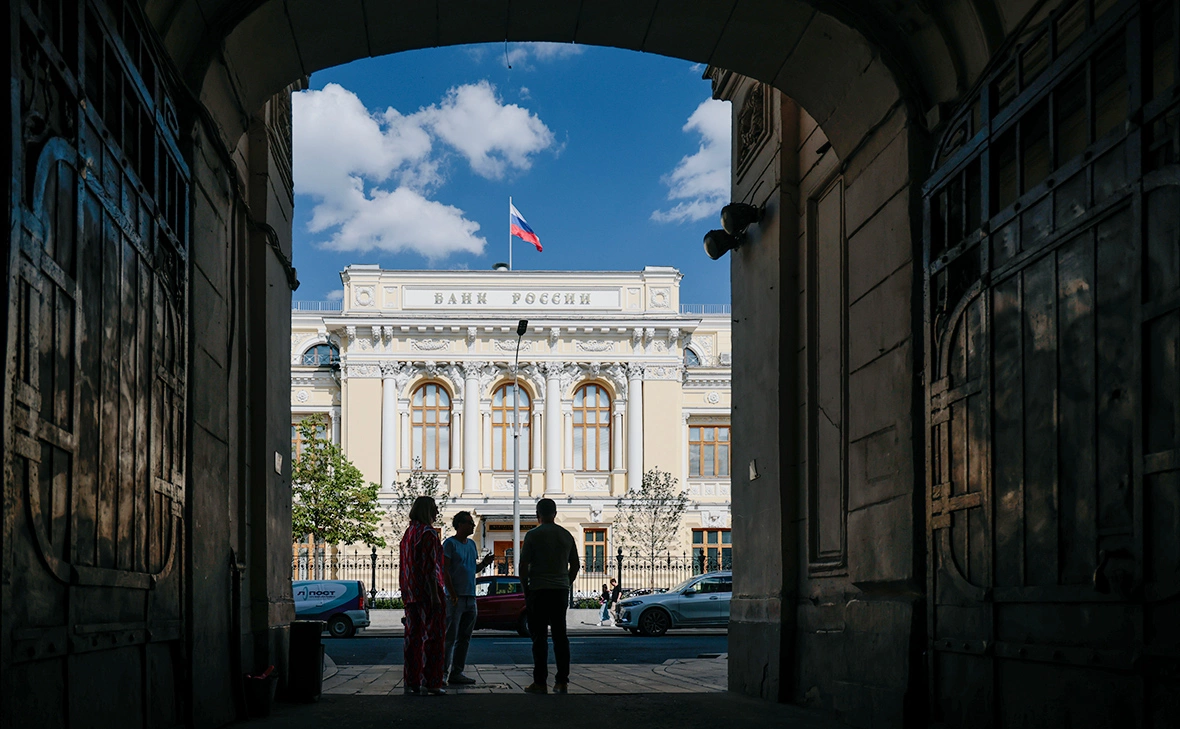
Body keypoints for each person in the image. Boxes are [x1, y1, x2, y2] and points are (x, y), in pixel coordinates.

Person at [518, 498, 580, 694]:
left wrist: (526, 589)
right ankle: (562, 681)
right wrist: (565, 582)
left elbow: (523, 566)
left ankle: (540, 682)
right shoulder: (566, 535)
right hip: (559, 591)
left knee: (539, 638)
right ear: (555, 513)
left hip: (538, 590)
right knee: (560, 636)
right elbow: (576, 565)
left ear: (538, 514)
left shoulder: (532, 535)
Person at [399, 496, 447, 696]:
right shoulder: (428, 534)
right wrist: (435, 595)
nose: (437, 513)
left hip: (411, 593)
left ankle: (413, 680)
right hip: (428, 593)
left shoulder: (409, 533)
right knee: (434, 638)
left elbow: (404, 566)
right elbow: (429, 568)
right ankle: (432, 682)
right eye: (434, 509)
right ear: (427, 511)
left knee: (413, 638)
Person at [442, 511, 494, 685]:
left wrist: (484, 564)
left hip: (471, 597)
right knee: (450, 637)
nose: (473, 525)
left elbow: (472, 569)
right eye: (470, 522)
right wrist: (452, 593)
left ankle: (457, 672)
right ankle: (442, 674)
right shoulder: (449, 544)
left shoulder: (471, 545)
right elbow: (445, 571)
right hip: (455, 598)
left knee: (464, 638)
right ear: (460, 524)